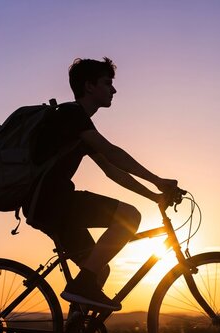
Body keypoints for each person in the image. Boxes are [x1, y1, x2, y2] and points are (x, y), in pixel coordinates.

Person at [23, 57, 178, 311]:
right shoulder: (72, 115)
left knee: (98, 270)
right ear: (89, 86)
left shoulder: (77, 125)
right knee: (129, 215)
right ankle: (81, 286)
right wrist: (158, 181)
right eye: (108, 83)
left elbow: (112, 170)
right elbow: (112, 152)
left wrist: (154, 196)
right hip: (53, 202)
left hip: (46, 206)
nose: (114, 90)